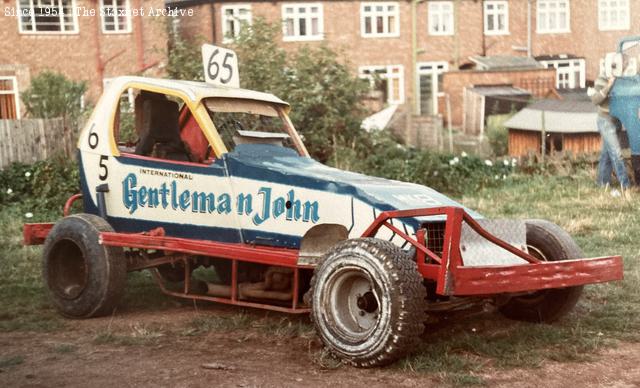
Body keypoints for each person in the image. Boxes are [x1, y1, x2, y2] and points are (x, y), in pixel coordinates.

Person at [589, 72, 631, 193]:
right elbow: (595, 100)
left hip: (616, 120)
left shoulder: (624, 79)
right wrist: (609, 85)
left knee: (606, 154)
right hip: (605, 120)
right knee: (616, 153)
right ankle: (626, 186)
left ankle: (602, 183)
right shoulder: (601, 79)